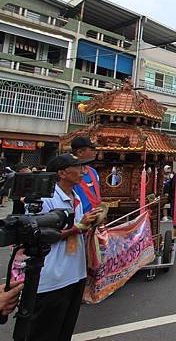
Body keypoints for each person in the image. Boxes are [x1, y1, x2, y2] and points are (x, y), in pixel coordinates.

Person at [24, 153, 101, 341]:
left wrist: (89, 225)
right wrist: (78, 226)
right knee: (44, 333)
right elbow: (36, 235)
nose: (84, 171)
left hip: (74, 274)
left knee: (64, 331)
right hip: (52, 277)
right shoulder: (44, 198)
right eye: (79, 167)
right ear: (62, 173)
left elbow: (78, 229)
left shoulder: (75, 196)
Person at [71, 136, 101, 215]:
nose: (95, 152)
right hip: (78, 218)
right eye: (91, 150)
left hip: (94, 215)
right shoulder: (70, 174)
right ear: (80, 152)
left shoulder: (93, 171)